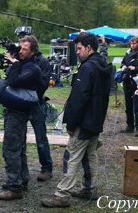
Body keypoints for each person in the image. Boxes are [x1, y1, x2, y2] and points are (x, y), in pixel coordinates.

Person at [41, 32, 112, 208]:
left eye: (79, 49)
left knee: (71, 156)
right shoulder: (102, 65)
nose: (77, 52)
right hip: (95, 121)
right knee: (90, 155)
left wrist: (71, 123)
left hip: (84, 122)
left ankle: (62, 195)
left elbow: (79, 98)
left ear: (89, 48)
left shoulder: (88, 68)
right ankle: (89, 188)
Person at [0, 35, 42, 201]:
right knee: (19, 148)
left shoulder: (32, 69)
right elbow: (10, 85)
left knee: (11, 149)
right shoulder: (24, 65)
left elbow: (13, 82)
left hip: (19, 113)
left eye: (25, 49)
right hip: (14, 110)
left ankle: (14, 188)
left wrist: (14, 64)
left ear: (33, 51)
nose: (21, 51)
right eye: (20, 47)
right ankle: (22, 181)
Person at [32, 50, 53, 181]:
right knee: (19, 139)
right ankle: (21, 170)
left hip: (37, 103)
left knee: (41, 139)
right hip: (21, 103)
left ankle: (47, 168)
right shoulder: (21, 59)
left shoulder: (42, 61)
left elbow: (44, 84)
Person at [120, 37, 138, 136]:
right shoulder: (127, 53)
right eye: (131, 43)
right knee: (128, 105)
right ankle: (129, 125)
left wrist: (135, 68)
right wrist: (123, 67)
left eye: (134, 43)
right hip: (127, 81)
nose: (132, 45)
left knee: (137, 106)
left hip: (137, 82)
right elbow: (123, 62)